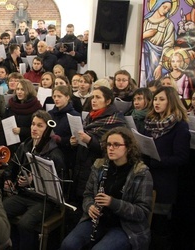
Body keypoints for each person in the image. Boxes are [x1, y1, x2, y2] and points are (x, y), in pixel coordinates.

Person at [60, 127, 153, 250]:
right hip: (99, 220)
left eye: (116, 145)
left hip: (125, 226)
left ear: (129, 148)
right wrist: (90, 207)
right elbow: (87, 194)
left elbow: (142, 212)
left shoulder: (141, 173)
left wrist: (112, 203)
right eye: (108, 144)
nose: (111, 148)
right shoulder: (99, 166)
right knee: (68, 245)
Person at [2, 110, 65, 250]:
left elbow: (58, 186)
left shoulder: (55, 153)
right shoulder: (25, 145)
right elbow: (12, 165)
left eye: (40, 126)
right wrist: (8, 179)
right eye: (33, 124)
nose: (34, 128)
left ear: (48, 130)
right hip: (24, 194)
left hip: (44, 200)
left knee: (25, 224)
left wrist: (33, 180)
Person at [143, 86, 190, 249]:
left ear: (171, 101)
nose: (157, 102)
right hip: (146, 177)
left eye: (161, 99)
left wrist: (158, 160)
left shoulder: (180, 126)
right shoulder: (150, 122)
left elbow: (182, 158)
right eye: (155, 99)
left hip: (164, 182)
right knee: (145, 221)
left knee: (159, 225)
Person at [70, 86, 126, 208]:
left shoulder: (115, 120)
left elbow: (110, 148)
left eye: (98, 97)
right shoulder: (91, 116)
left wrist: (89, 141)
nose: (93, 100)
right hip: (82, 164)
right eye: (92, 97)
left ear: (108, 101)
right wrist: (75, 142)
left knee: (91, 202)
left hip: (98, 167)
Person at [0, 79, 42, 154]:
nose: (19, 92)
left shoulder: (36, 107)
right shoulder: (11, 105)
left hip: (26, 145)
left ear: (29, 91)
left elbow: (39, 130)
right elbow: (3, 125)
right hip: (9, 145)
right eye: (17, 89)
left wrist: (21, 131)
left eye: (22, 89)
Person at [141, 0, 174, 86]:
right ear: (158, 5)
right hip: (144, 55)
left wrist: (160, 65)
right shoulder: (146, 21)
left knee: (155, 80)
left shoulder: (169, 24)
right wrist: (145, 35)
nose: (166, 10)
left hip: (158, 57)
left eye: (168, 9)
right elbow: (137, 40)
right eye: (164, 7)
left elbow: (168, 45)